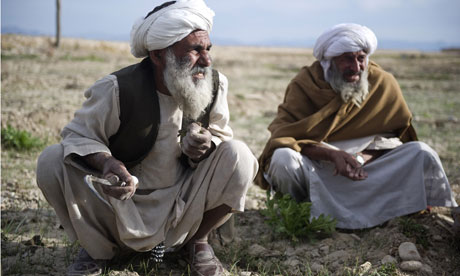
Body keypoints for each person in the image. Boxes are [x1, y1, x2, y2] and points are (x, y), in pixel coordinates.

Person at [36, 1, 258, 275]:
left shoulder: (214, 84)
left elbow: (222, 138)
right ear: (157, 55)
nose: (207, 60)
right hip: (120, 204)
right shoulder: (116, 88)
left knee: (240, 156)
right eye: (195, 50)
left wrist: (205, 145)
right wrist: (107, 163)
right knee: (51, 160)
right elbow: (78, 136)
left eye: (208, 49)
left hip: (184, 203)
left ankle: (197, 242)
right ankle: (96, 249)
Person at [256, 23, 458, 231]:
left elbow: (395, 136)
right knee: (282, 159)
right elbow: (284, 136)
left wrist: (358, 159)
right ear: (329, 61)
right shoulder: (305, 84)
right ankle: (304, 215)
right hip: (320, 168)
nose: (356, 67)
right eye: (347, 59)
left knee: (421, 152)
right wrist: (331, 155)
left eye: (361, 58)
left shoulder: (381, 82)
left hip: (369, 166)